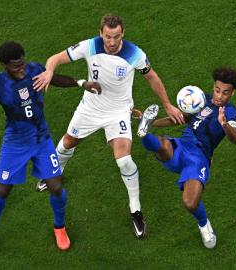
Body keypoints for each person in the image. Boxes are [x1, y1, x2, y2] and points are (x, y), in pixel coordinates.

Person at [32, 14, 185, 239]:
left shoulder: (135, 54)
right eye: (107, 37)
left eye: (116, 37)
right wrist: (49, 71)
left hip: (118, 112)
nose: (111, 42)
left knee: (123, 159)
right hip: (90, 108)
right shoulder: (89, 46)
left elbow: (152, 77)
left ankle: (136, 211)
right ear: (101, 33)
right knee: (66, 144)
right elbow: (55, 58)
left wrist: (168, 104)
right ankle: (55, 174)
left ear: (122, 34)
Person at [0, 41, 101, 254]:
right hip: (15, 143)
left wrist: (82, 83)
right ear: (3, 64)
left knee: (56, 186)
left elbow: (56, 79)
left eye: (22, 62)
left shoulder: (34, 69)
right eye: (16, 65)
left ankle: (60, 227)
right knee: (3, 189)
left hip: (41, 140)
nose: (21, 68)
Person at [136, 67, 236, 248]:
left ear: (233, 92)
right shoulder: (202, 99)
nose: (219, 96)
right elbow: (178, 119)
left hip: (199, 157)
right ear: (214, 87)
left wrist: (224, 124)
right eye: (217, 90)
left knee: (190, 202)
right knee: (162, 144)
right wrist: (151, 121)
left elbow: (235, 138)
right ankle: (144, 131)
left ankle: (204, 225)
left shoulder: (231, 112)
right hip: (182, 146)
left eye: (225, 93)